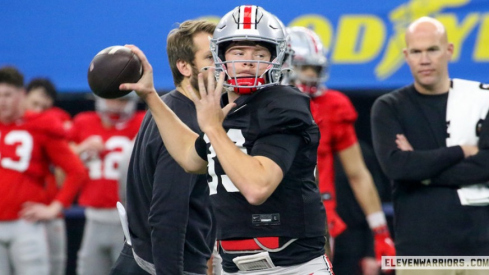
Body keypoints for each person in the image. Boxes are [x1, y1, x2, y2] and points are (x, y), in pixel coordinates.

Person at [120, 5, 334, 275]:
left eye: (259, 53)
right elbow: (189, 157)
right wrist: (150, 96)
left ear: (275, 59)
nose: (249, 61)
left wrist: (212, 128)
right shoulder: (224, 106)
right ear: (220, 56)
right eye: (239, 52)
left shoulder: (283, 104)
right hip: (234, 267)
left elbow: (257, 186)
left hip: (291, 266)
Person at [371, 16, 489, 275]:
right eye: (416, 51)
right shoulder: (389, 107)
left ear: (449, 51)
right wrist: (460, 151)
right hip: (420, 252)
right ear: (406, 55)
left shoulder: (483, 99)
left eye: (432, 49)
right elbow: (397, 167)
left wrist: (421, 170)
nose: (424, 60)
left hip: (482, 248)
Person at [109, 19, 217, 275]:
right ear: (184, 67)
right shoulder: (183, 121)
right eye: (211, 57)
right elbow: (167, 216)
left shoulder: (171, 107)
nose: (221, 64)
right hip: (160, 267)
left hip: (147, 260)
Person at [286, 26, 395, 274]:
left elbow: (358, 173)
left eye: (315, 68)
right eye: (305, 67)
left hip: (321, 220)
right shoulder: (260, 103)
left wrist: (380, 231)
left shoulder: (332, 105)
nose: (311, 75)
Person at [0, 66, 88, 275]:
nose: (2, 101)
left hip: (26, 223)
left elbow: (76, 171)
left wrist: (54, 208)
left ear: (22, 95)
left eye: (7, 95)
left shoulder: (40, 124)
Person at [69, 94, 145, 275]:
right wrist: (81, 148)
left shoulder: (143, 121)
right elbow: (56, 150)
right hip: (94, 218)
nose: (115, 106)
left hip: (129, 220)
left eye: (122, 100)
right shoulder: (84, 121)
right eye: (111, 98)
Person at [24, 77, 73, 275]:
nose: (38, 111)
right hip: (19, 212)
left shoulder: (55, 124)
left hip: (49, 208)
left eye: (44, 107)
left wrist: (55, 206)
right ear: (23, 98)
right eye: (34, 104)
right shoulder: (9, 126)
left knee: (55, 267)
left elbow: (72, 171)